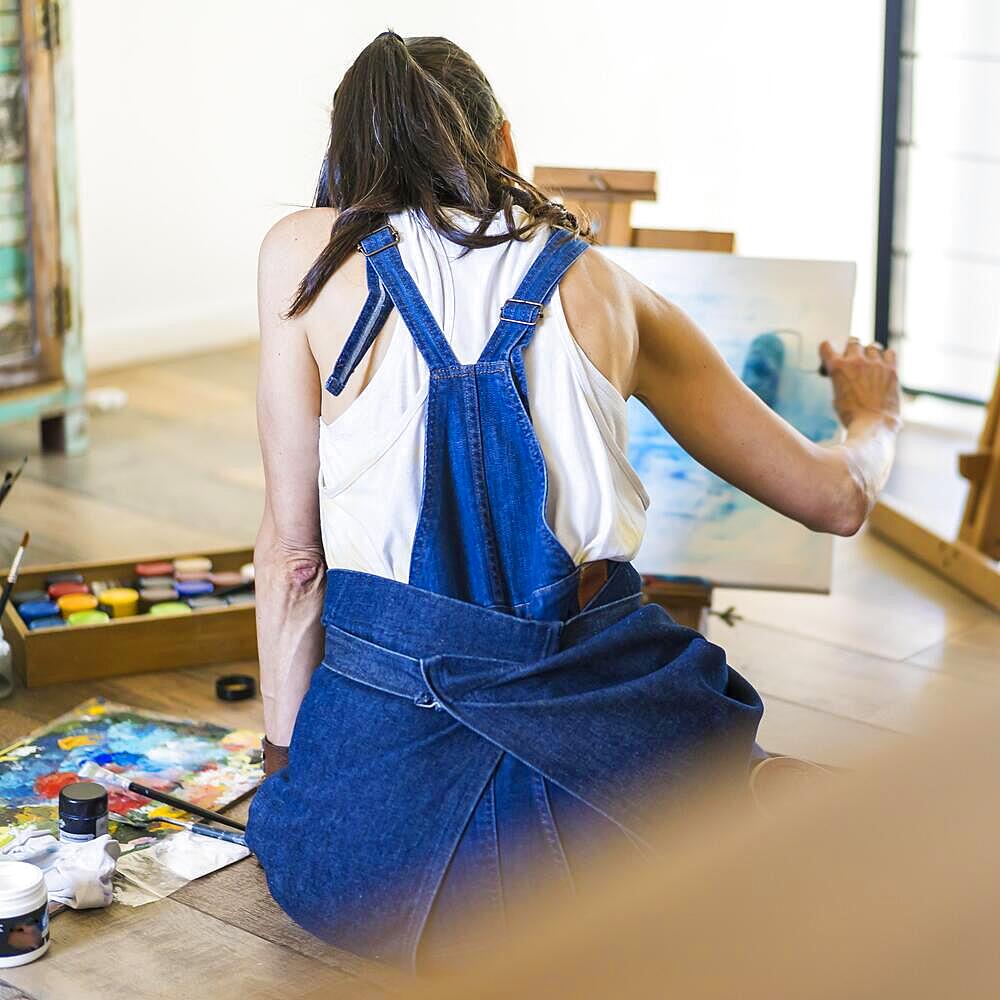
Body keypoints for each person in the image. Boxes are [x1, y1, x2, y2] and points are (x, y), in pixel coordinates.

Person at [245, 32, 902, 971]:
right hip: (615, 757)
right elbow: (836, 501)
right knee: (734, 820)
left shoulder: (303, 256)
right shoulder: (606, 288)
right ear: (505, 144)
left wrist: (291, 773)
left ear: (344, 164)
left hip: (368, 858)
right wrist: (873, 418)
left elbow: (294, 561)